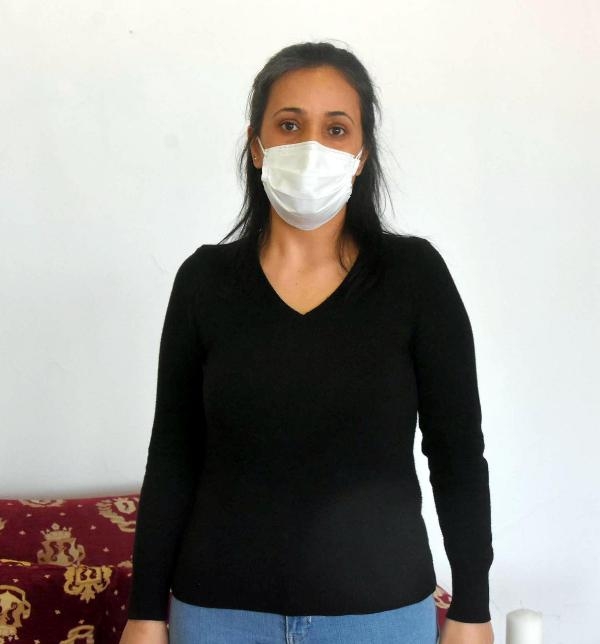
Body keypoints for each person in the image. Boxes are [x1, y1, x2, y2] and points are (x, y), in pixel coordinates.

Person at [119, 41, 494, 644]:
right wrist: (145, 612)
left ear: (361, 154)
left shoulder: (414, 276)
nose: (311, 146)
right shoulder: (204, 281)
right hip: (217, 616)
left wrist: (472, 608)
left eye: (336, 129)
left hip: (382, 618)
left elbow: (457, 452)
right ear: (257, 145)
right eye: (289, 125)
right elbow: (172, 456)